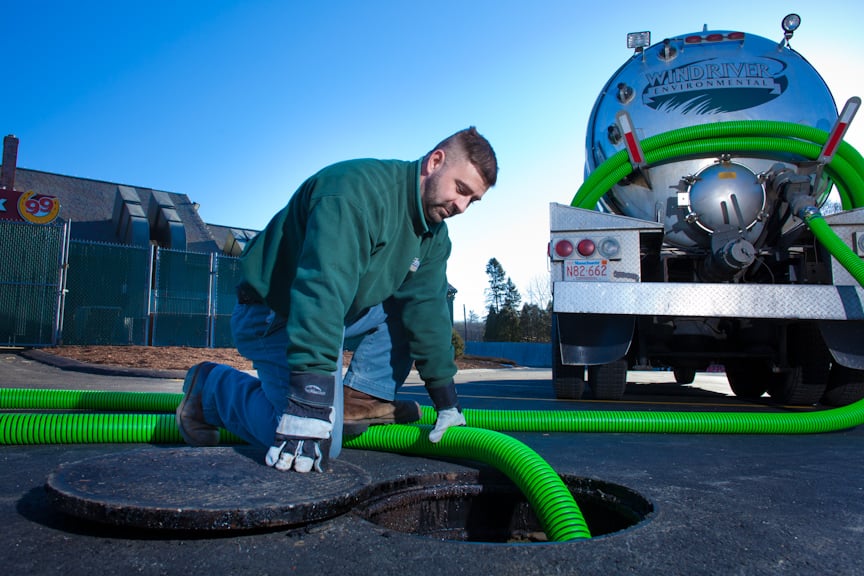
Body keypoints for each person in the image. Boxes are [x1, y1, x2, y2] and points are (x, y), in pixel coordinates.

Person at [176, 126, 498, 473]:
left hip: (337, 310)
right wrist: (308, 404)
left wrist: (447, 404)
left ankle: (361, 398)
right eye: (461, 190)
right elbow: (321, 291)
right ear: (435, 162)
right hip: (275, 313)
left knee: (409, 304)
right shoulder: (356, 193)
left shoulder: (433, 235)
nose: (462, 207)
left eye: (473, 200)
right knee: (315, 442)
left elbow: (428, 311)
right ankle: (211, 389)